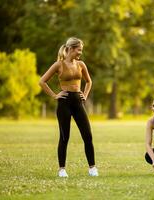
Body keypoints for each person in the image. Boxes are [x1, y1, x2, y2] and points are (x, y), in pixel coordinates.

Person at [39, 37, 98, 177]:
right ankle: (62, 169)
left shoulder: (81, 64)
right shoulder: (58, 65)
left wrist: (85, 94)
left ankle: (92, 167)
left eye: (81, 50)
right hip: (64, 102)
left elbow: (89, 82)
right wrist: (54, 95)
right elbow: (42, 81)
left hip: (78, 102)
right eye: (79, 50)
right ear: (71, 49)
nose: (80, 53)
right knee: (64, 137)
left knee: (87, 135)